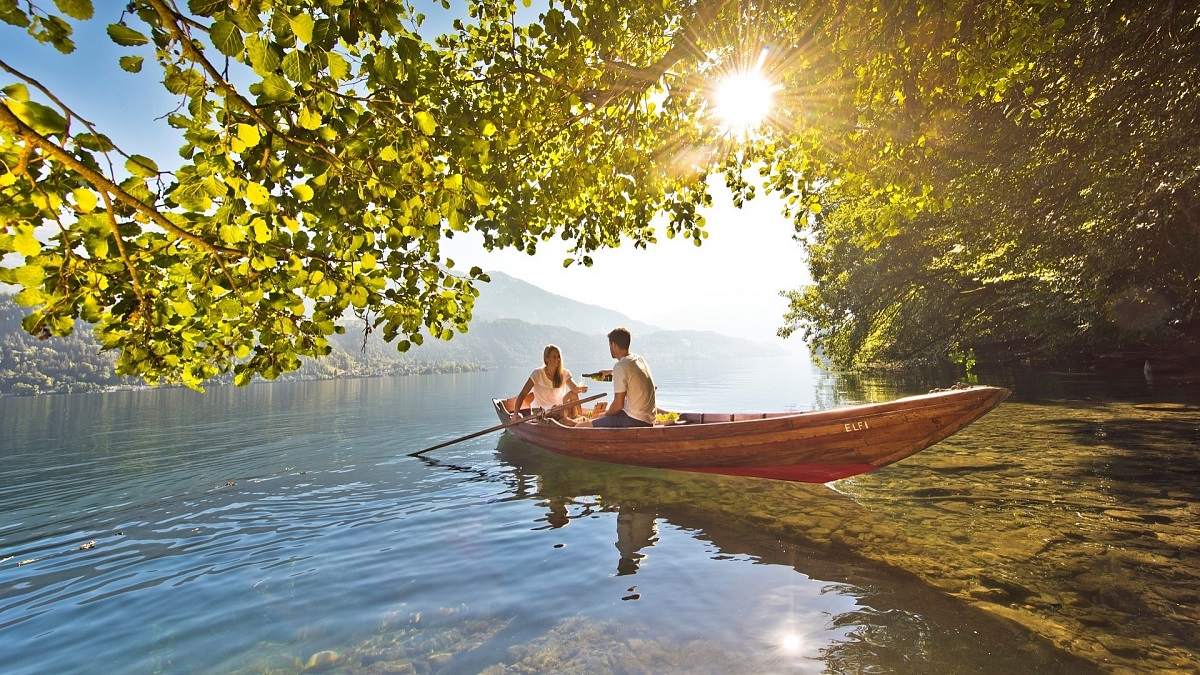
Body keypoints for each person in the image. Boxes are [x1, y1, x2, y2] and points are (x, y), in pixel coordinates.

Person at [578, 327, 657, 428]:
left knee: (581, 426)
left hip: (633, 419)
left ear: (614, 345)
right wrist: (611, 371)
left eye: (610, 345)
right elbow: (630, 371)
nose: (610, 348)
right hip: (649, 420)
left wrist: (604, 416)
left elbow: (618, 405)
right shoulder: (639, 359)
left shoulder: (620, 367)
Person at [508, 344, 588, 420]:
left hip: (559, 408)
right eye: (554, 357)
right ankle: (568, 420)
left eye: (558, 357)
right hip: (541, 410)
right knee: (557, 410)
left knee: (573, 394)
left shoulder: (564, 373)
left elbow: (574, 388)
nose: (557, 359)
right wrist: (515, 414)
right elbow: (522, 394)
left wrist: (581, 389)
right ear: (546, 358)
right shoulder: (537, 374)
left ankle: (580, 419)